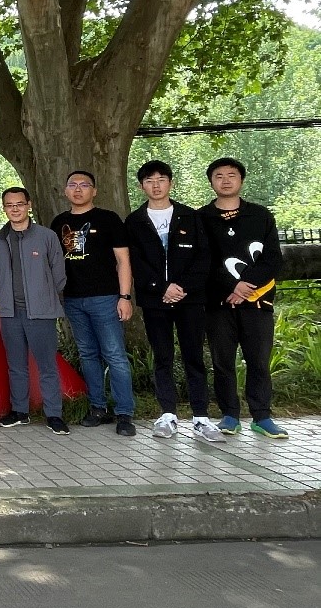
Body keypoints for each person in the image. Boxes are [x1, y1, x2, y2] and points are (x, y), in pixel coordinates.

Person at [124, 161, 224, 442]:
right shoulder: (134, 221)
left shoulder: (190, 216)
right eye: (149, 180)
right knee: (163, 357)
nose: (156, 185)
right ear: (141, 186)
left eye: (161, 179)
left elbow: (203, 257)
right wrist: (162, 288)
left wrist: (182, 288)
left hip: (190, 299)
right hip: (155, 300)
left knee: (194, 356)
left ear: (171, 183)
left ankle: (201, 417)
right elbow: (136, 261)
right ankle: (167, 414)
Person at [198, 157, 287, 438]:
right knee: (222, 361)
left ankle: (262, 416)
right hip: (218, 303)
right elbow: (202, 261)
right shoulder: (200, 218)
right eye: (219, 176)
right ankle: (229, 415)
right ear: (211, 182)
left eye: (232, 175)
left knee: (258, 360)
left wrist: (245, 286)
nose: (225, 180)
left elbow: (272, 258)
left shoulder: (260, 215)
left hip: (257, 301)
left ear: (241, 180)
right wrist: (232, 288)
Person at [50, 171, 137, 437]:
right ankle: (98, 407)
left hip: (106, 298)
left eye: (84, 185)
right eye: (72, 185)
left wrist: (125, 297)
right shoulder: (59, 222)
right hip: (73, 299)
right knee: (88, 354)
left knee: (115, 355)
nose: (78, 189)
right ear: (66, 191)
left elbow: (123, 261)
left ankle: (124, 413)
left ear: (94, 191)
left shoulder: (108, 219)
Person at [0, 187, 70, 435]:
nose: (15, 209)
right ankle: (19, 412)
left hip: (41, 312)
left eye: (19, 204)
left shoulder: (46, 236)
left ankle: (54, 414)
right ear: (4, 208)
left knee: (47, 365)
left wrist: (43, 296)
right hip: (10, 312)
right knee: (16, 365)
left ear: (29, 205)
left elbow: (59, 275)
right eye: (9, 205)